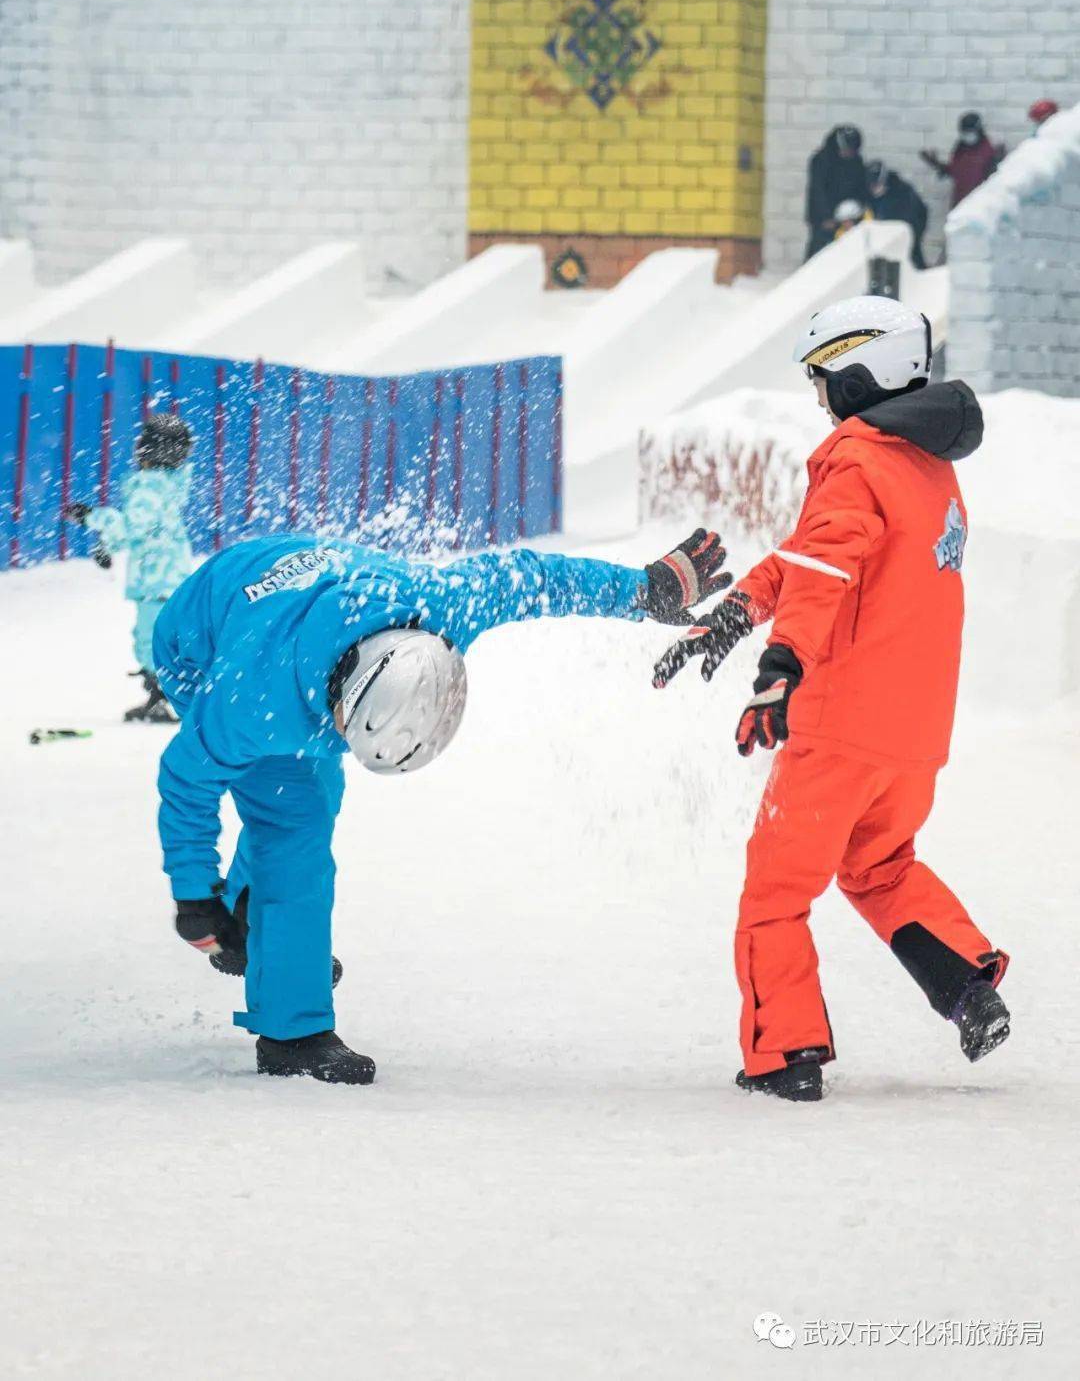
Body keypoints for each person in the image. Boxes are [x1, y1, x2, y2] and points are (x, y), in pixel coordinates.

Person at [154, 528, 731, 1084]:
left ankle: (264, 932)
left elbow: (535, 578)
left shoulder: (438, 605)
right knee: (292, 825)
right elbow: (186, 777)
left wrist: (644, 589)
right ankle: (291, 1035)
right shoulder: (253, 701)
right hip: (197, 641)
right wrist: (193, 893)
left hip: (297, 610)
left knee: (312, 798)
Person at [653, 298, 1010, 1103]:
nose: (819, 399)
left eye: (823, 380)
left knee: (774, 894)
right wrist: (734, 618)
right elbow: (811, 560)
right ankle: (969, 987)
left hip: (840, 727)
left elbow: (822, 575)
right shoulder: (925, 465)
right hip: (913, 739)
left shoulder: (857, 458)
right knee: (879, 865)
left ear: (860, 370)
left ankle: (784, 1055)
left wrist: (779, 668)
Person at [65, 413, 194, 723]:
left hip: (155, 577)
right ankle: (164, 697)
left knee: (152, 640)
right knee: (164, 637)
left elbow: (132, 527)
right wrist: (107, 545)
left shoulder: (149, 486)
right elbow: (148, 529)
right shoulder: (170, 484)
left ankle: (165, 699)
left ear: (148, 450)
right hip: (169, 572)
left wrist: (91, 517)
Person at [804, 125, 867, 260]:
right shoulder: (821, 160)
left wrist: (855, 214)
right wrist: (825, 217)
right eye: (847, 150)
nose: (849, 154)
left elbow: (861, 189)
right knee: (817, 255)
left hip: (847, 216)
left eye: (852, 151)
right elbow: (817, 191)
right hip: (823, 218)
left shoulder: (856, 161)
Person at [920, 111, 1004, 210]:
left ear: (978, 131)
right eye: (964, 133)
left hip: (980, 207)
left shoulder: (987, 151)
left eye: (970, 132)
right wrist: (936, 164)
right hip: (959, 205)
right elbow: (955, 171)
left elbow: (992, 179)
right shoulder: (960, 148)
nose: (967, 136)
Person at [865, 159, 929, 269]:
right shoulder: (869, 196)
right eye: (871, 186)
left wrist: (911, 238)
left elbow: (919, 216)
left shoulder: (903, 193)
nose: (873, 189)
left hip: (906, 236)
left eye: (876, 185)